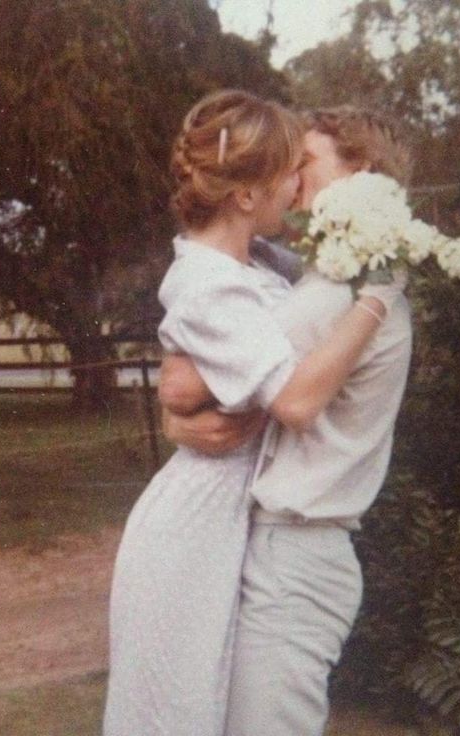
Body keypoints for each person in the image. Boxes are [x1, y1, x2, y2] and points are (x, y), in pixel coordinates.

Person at [103, 91, 405, 736]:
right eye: (287, 166)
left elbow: (202, 378)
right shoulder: (226, 279)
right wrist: (178, 405)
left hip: (250, 527)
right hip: (202, 524)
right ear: (246, 193)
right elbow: (198, 370)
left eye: (307, 162)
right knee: (177, 707)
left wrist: (181, 394)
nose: (296, 181)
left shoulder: (299, 273)